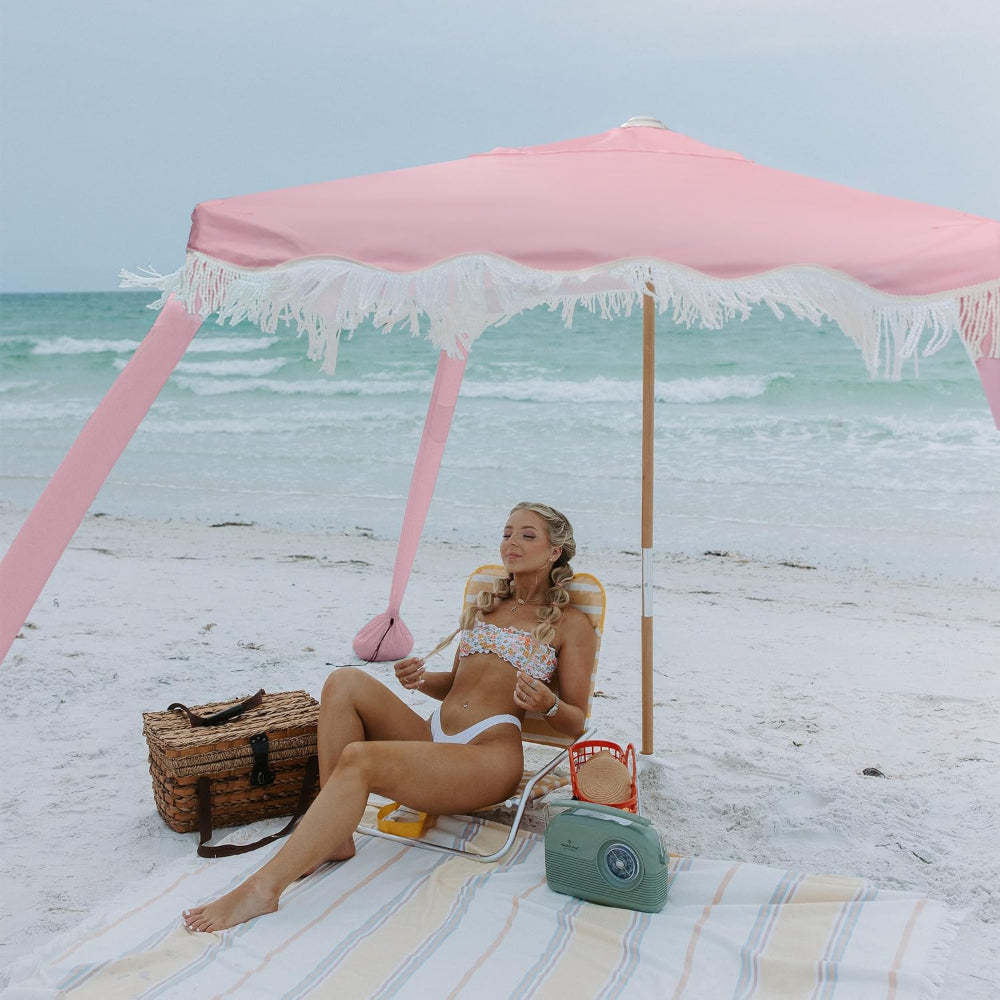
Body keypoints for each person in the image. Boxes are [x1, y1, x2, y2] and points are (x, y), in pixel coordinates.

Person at [183, 501, 596, 932]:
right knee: (343, 681)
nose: (512, 542)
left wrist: (547, 704)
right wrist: (421, 679)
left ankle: (262, 890)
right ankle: (336, 837)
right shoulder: (487, 604)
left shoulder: (572, 625)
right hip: (435, 740)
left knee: (362, 758)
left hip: (488, 756)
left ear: (554, 552)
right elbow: (456, 683)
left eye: (527, 535)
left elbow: (575, 722)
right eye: (508, 532)